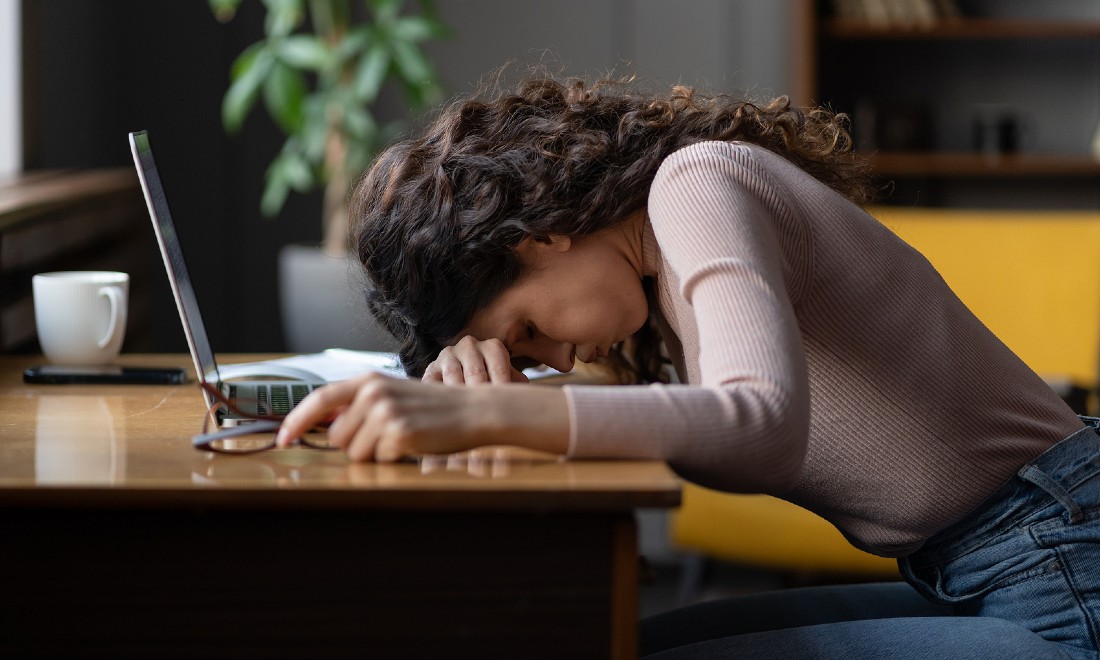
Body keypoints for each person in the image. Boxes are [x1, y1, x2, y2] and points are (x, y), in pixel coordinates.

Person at [277, 70, 1100, 658]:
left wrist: (484, 412)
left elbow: (760, 424)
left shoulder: (696, 182)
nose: (554, 358)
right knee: (631, 640)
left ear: (541, 235)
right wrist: (487, 383)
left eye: (527, 329)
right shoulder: (658, 279)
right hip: (990, 563)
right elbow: (676, 409)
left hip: (1063, 568)